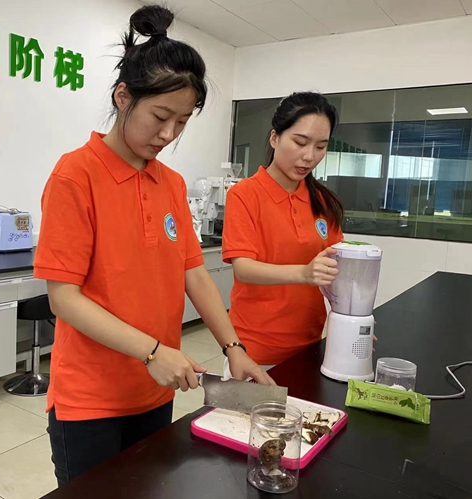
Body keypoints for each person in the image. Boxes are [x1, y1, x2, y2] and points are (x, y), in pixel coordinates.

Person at [33, 4, 274, 486]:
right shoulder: (75, 175)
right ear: (123, 96)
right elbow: (64, 299)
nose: (168, 134)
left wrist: (233, 347)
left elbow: (194, 273)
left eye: (182, 122)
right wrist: (152, 351)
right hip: (90, 399)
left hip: (156, 391)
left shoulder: (171, 184)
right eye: (160, 116)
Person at [222, 92, 345, 375]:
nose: (309, 156)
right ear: (275, 138)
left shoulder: (323, 201)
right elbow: (244, 268)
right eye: (300, 142)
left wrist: (352, 322)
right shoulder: (245, 195)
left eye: (321, 146)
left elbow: (338, 267)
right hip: (255, 349)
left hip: (311, 345)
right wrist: (304, 273)